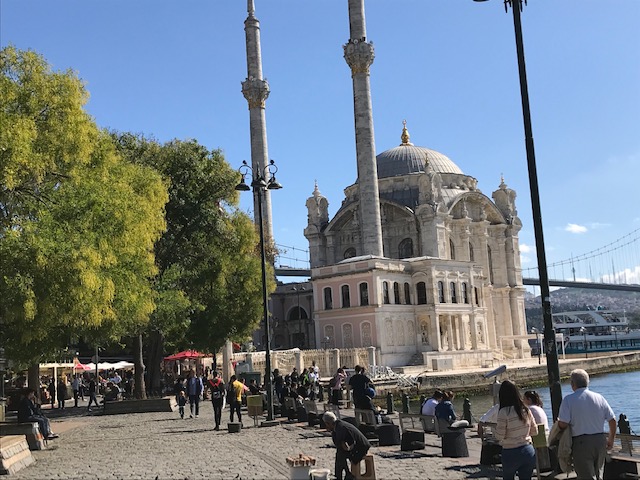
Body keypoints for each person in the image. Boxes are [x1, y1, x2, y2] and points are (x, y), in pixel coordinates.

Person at [557, 369, 616, 480]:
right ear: (587, 382)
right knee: (598, 475)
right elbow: (612, 420)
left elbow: (563, 423)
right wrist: (611, 439)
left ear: (572, 384)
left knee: (586, 476)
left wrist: (557, 428)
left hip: (581, 442)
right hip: (599, 440)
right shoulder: (599, 398)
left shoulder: (568, 400)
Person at [495, 380, 538, 480]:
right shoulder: (525, 409)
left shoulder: (504, 412)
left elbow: (499, 436)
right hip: (527, 450)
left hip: (510, 452)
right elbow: (535, 431)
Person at [323, 411, 371, 480]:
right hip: (358, 446)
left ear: (328, 423)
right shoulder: (338, 425)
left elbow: (344, 444)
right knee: (340, 453)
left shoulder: (340, 428)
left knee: (340, 453)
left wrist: (347, 448)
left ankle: (342, 475)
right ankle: (346, 474)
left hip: (362, 448)